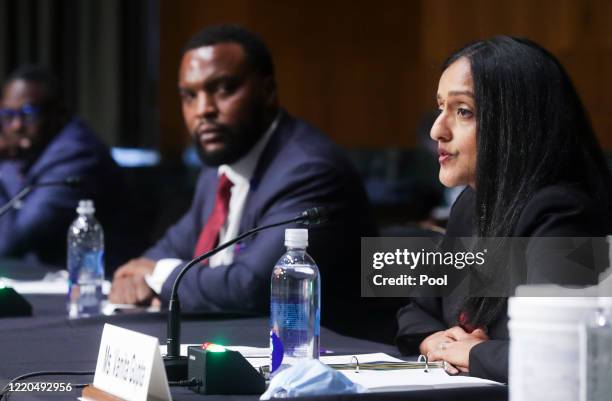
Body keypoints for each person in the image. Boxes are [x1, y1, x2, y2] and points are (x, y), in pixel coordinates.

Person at [109, 25, 383, 336]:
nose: (203, 110)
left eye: (223, 89)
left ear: (267, 92)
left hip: (324, 356)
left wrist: (158, 274)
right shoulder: (219, 165)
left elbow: (253, 286)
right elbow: (175, 244)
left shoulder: (308, 169)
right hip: (240, 339)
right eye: (190, 95)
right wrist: (137, 271)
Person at [396, 36, 611, 382]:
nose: (438, 130)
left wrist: (473, 352)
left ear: (515, 122)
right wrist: (433, 340)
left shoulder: (565, 216)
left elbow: (561, 357)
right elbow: (417, 309)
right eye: (440, 108)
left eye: (463, 111)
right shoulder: (470, 205)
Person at [0, 65, 128, 267]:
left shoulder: (77, 154)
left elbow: (9, 241)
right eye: (8, 114)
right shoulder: (26, 154)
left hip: (96, 283)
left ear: (57, 114)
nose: (16, 125)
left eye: (28, 112)